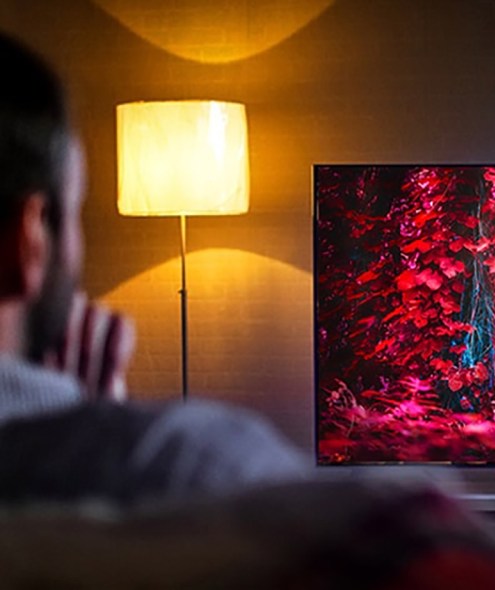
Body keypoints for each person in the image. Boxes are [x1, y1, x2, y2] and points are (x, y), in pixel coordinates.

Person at [0, 31, 312, 504]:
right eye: (77, 209)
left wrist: (77, 418)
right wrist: (93, 431)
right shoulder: (190, 464)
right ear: (29, 239)